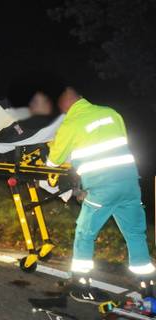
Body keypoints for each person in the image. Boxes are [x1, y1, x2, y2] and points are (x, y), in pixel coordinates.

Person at [46, 87, 154, 302]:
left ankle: (81, 284)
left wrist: (52, 145)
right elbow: (117, 144)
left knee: (85, 233)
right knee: (135, 234)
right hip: (130, 183)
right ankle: (148, 288)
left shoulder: (71, 123)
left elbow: (54, 161)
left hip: (102, 188)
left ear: (66, 103)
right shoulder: (111, 114)